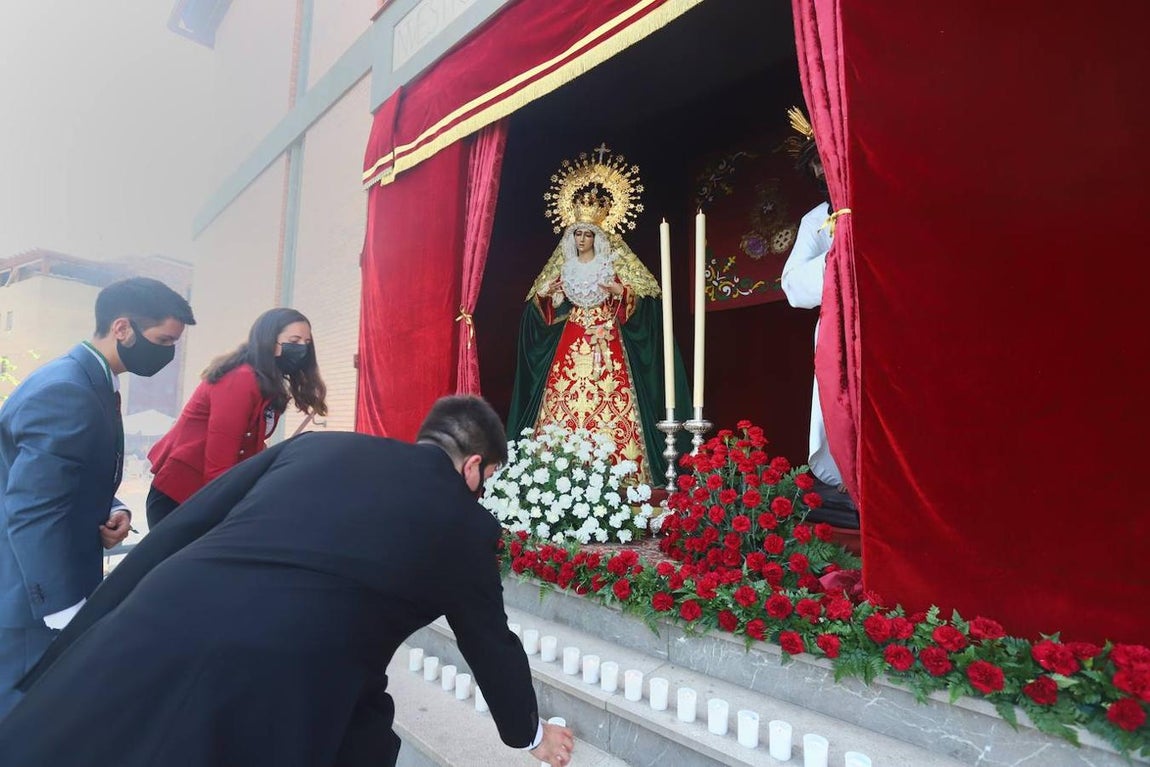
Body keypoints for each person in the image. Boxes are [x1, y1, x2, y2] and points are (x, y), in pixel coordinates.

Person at [0, 395, 575, 767]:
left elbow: (189, 522)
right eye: (487, 477)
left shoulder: (317, 446)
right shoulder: (468, 524)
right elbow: (489, 641)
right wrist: (529, 735)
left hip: (164, 611)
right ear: (475, 466)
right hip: (283, 673)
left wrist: (95, 620)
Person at [0, 277, 195, 718]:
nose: (168, 355)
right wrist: (65, 612)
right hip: (32, 599)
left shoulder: (92, 380)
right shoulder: (67, 389)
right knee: (21, 721)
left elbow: (66, 474)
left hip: (51, 583)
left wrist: (113, 507)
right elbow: (32, 509)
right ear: (122, 328)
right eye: (163, 341)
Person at [508, 145, 691, 484]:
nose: (581, 238)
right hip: (571, 341)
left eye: (587, 233)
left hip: (607, 342)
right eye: (577, 233)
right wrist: (548, 298)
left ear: (598, 236)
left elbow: (645, 303)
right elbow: (546, 310)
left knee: (612, 397)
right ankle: (556, 476)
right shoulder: (564, 267)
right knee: (563, 400)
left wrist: (622, 294)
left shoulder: (612, 264)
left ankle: (622, 475)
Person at [145, 307, 328, 528]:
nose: (302, 349)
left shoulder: (266, 381)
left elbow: (249, 443)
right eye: (294, 341)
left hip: (207, 495)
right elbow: (219, 462)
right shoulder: (241, 379)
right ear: (268, 341)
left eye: (307, 343)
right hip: (184, 499)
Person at [780, 107, 858, 527]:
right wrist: (837, 259)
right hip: (839, 328)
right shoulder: (817, 220)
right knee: (843, 399)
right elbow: (793, 286)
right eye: (818, 163)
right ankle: (851, 473)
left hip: (885, 321)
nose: (823, 169)